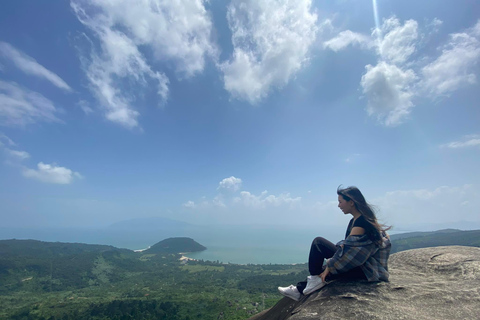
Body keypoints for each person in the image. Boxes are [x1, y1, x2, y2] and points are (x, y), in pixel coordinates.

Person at [278, 186, 391, 301]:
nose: (339, 205)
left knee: (319, 243)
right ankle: (300, 289)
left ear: (351, 202)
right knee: (329, 261)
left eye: (340, 202)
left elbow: (350, 255)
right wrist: (331, 265)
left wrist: (330, 266)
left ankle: (310, 283)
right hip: (364, 267)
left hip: (366, 271)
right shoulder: (358, 220)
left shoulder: (361, 223)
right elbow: (349, 247)